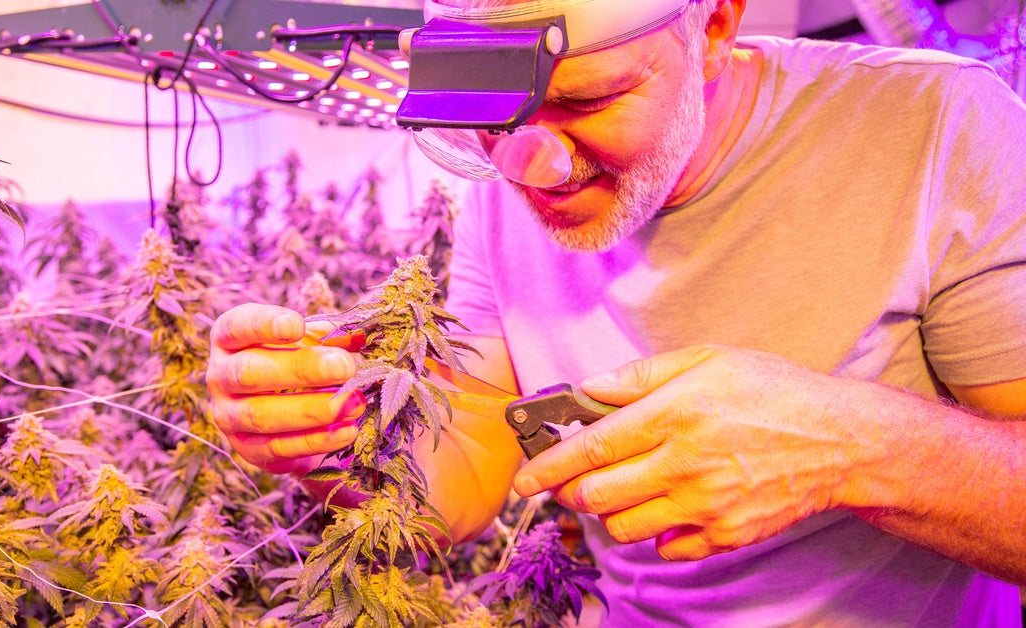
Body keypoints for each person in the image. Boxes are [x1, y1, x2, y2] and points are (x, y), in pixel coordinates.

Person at [207, 0, 1026, 624]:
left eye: (591, 100)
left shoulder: (938, 129)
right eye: (493, 120)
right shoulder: (503, 190)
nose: (535, 167)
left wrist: (850, 447)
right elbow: (462, 479)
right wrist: (329, 440)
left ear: (713, 29)